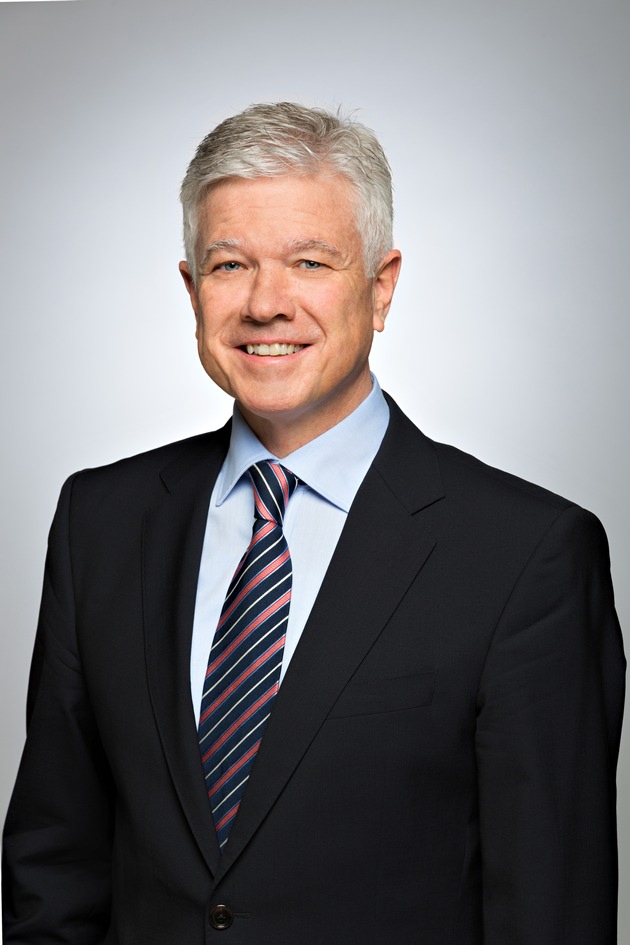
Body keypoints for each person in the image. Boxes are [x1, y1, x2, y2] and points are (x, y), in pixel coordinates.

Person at [2, 102, 625, 945]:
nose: (266, 303)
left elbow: (551, 908)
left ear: (381, 286)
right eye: (230, 264)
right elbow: (53, 870)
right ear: (191, 290)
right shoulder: (100, 522)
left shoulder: (527, 555)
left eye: (309, 261)